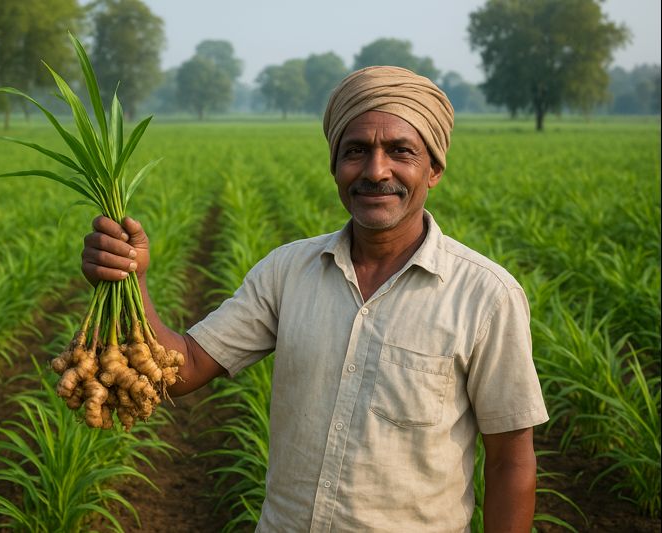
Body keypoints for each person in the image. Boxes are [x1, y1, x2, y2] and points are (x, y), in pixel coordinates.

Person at [80, 66, 549, 532]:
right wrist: (131, 277)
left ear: (435, 169)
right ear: (335, 166)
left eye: (400, 151)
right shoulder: (287, 272)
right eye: (356, 152)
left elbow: (510, 460)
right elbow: (184, 369)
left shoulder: (486, 295)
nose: (375, 170)